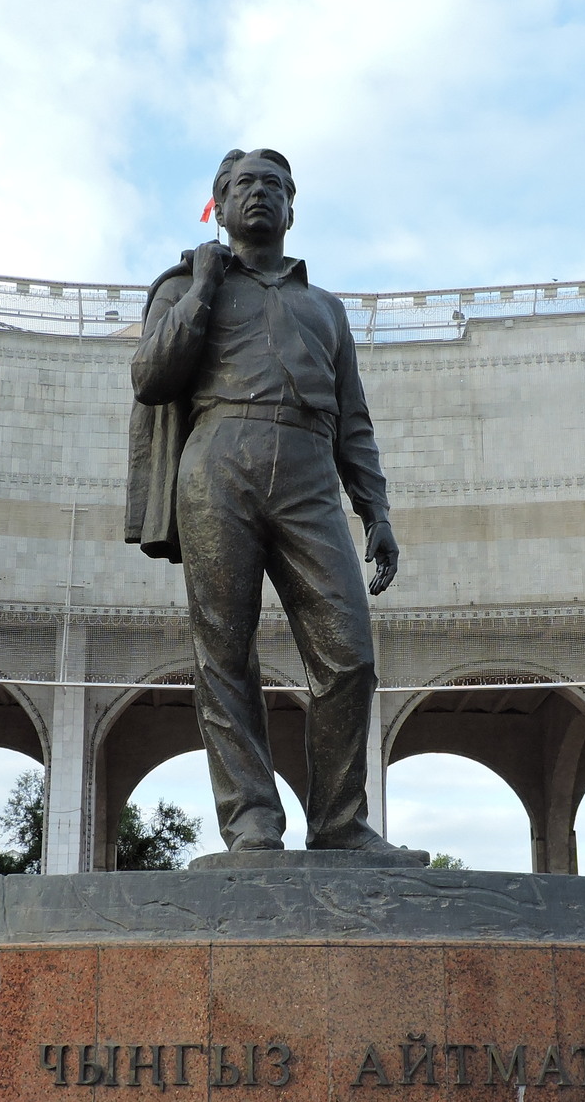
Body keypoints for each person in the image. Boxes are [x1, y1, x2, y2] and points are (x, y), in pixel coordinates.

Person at [127, 147, 401, 853]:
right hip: (219, 459)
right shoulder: (185, 284)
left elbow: (355, 418)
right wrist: (203, 288)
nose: (260, 195)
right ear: (219, 204)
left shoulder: (326, 309)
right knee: (225, 651)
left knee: (350, 656)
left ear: (291, 207)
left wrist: (375, 510)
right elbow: (152, 377)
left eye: (274, 186)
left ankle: (340, 823)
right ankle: (251, 818)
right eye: (246, 184)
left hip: (309, 469)